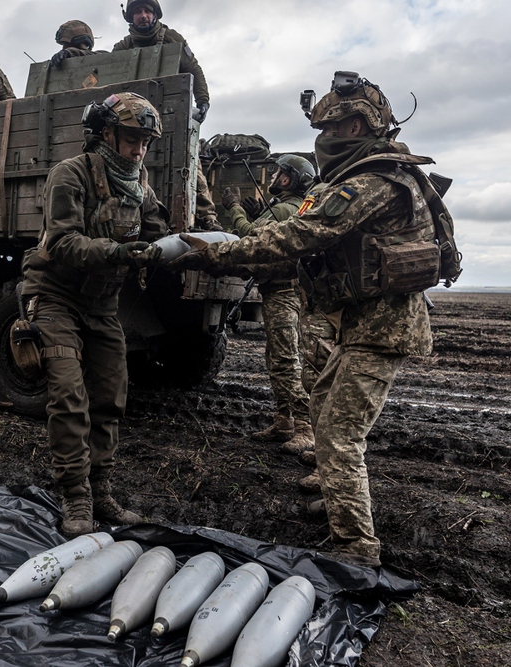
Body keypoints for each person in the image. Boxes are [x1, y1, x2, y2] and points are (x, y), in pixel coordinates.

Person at [170, 72, 449, 566]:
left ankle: (357, 549)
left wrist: (223, 254)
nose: (324, 140)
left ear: (360, 125)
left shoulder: (374, 181)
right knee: (321, 401)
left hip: (383, 328)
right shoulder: (376, 175)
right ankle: (339, 497)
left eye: (333, 129)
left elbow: (303, 235)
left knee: (341, 434)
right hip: (362, 322)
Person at [21, 92, 169, 538]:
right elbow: (63, 243)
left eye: (145, 141)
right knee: (69, 394)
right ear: (106, 133)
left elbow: (158, 232)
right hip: (56, 296)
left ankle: (101, 492)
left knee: (110, 396)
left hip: (102, 304)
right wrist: (121, 250)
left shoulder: (140, 184)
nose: (139, 149)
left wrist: (177, 250)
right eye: (131, 138)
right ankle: (76, 498)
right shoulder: (70, 174)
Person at [220, 155, 318, 456]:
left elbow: (250, 236)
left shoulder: (285, 207)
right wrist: (262, 212)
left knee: (286, 360)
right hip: (285, 290)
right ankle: (284, 421)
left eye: (277, 173)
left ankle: (305, 427)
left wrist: (234, 208)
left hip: (282, 292)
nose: (273, 177)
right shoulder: (291, 207)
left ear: (288, 179)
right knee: (277, 357)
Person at [113, 0, 218, 229]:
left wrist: (203, 101)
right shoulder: (123, 47)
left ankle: (207, 217)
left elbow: (194, 69)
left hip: (171, 114)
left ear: (155, 15)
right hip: (132, 120)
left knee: (191, 161)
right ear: (130, 17)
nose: (143, 16)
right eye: (138, 12)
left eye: (147, 11)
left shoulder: (172, 38)